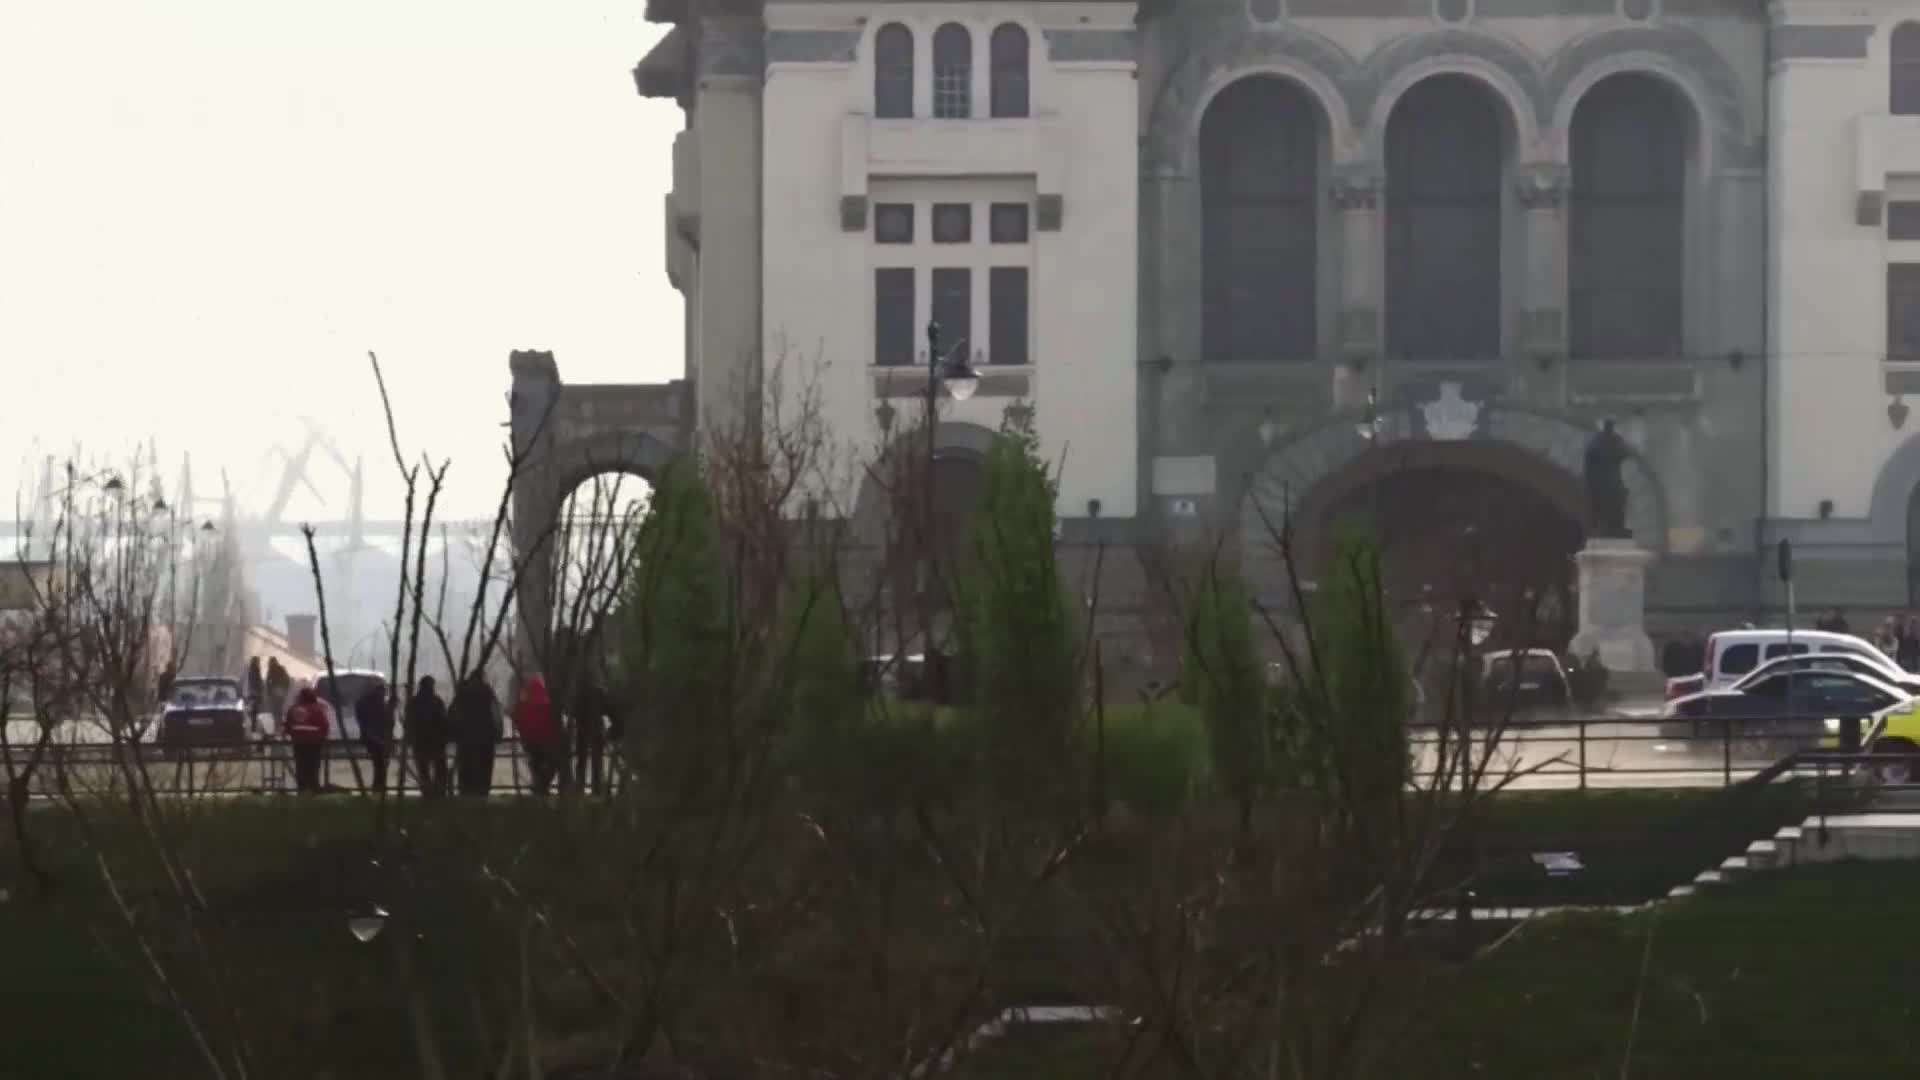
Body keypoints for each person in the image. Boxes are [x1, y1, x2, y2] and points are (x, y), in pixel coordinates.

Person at [450, 673, 500, 797]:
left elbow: (453, 716)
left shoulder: (461, 694)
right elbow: (496, 716)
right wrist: (498, 734)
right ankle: (482, 794)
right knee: (484, 769)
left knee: (466, 769)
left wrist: (454, 734)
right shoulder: (488, 694)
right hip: (486, 739)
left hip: (465, 739)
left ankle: (465, 793)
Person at [514, 674, 562, 795]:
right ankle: (542, 787)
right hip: (547, 741)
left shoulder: (523, 706)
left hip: (530, 742)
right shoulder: (549, 705)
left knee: (536, 766)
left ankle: (538, 788)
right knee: (549, 766)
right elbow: (556, 723)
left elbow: (516, 719)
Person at [406, 676, 450, 797]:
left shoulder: (414, 702)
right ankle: (439, 792)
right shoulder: (436, 701)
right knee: (440, 769)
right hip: (436, 741)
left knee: (424, 769)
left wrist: (411, 737)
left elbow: (410, 722)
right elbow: (443, 721)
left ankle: (427, 792)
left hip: (420, 741)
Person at [283, 685, 332, 794]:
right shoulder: (317, 709)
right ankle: (314, 788)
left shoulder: (293, 709)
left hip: (299, 742)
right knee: (313, 766)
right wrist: (322, 738)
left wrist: (293, 734)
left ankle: (302, 788)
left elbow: (287, 726)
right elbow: (325, 726)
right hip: (315, 743)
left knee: (300, 766)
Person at [356, 680, 396, 794]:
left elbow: (362, 721)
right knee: (381, 764)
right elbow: (387, 722)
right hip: (379, 737)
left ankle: (378, 787)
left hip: (372, 737)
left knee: (378, 763)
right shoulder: (378, 704)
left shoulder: (364, 702)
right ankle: (380, 787)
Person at [572, 678, 611, 795]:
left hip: (582, 727)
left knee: (581, 760)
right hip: (597, 727)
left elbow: (573, 711)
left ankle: (580, 787)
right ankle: (597, 788)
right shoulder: (600, 691)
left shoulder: (578, 692)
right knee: (597, 760)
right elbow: (607, 709)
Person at [245, 657, 265, 734]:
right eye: (258, 661)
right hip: (255, 692)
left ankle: (253, 725)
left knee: (254, 709)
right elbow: (257, 680)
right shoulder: (255, 669)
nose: (259, 662)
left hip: (252, 692)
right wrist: (260, 687)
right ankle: (254, 726)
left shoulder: (251, 669)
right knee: (255, 709)